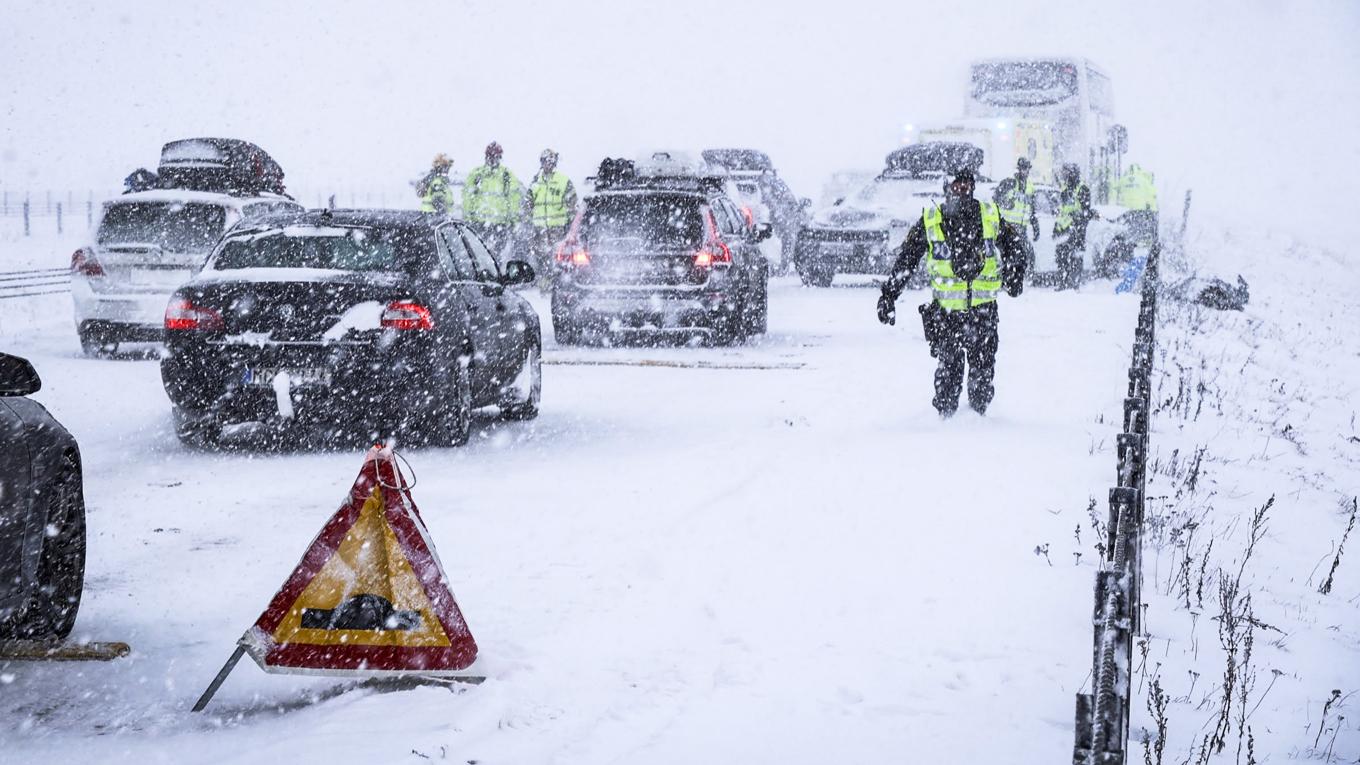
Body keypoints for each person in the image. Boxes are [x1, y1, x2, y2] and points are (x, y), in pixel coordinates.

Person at [876, 168, 1028, 417]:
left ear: (973, 187)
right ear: (947, 188)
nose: (962, 190)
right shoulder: (931, 219)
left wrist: (1015, 274)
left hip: (983, 312)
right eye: (957, 186)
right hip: (947, 315)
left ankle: (980, 426)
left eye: (967, 185)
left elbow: (1015, 247)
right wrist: (889, 295)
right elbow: (907, 260)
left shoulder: (990, 215)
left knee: (982, 379)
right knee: (948, 378)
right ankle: (945, 430)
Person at [523, 149, 577, 283]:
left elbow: (572, 203)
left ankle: (556, 280)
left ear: (554, 163)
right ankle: (544, 281)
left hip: (557, 228)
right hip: (539, 228)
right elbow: (527, 203)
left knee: (556, 256)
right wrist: (528, 221)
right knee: (541, 255)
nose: (548, 164)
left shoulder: (563, 181)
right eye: (545, 161)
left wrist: (570, 224)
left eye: (550, 161)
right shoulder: (536, 182)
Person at [463, 142, 523, 256]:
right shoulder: (477, 174)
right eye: (490, 156)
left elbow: (513, 199)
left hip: (499, 225)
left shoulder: (507, 175)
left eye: (495, 156)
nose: (492, 159)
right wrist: (468, 218)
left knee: (494, 256)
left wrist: (513, 220)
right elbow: (467, 197)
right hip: (479, 224)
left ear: (500, 158)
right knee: (480, 254)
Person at [1053, 162, 1096, 290]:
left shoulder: (1082, 189)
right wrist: (1056, 226)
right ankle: (1063, 282)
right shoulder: (1065, 190)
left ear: (1074, 174)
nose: (1065, 176)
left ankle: (1074, 283)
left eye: (1068, 173)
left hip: (1077, 229)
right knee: (1061, 256)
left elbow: (1086, 212)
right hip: (1064, 229)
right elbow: (1062, 211)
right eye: (1065, 173)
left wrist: (1078, 222)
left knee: (1076, 257)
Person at [993, 157, 1040, 242]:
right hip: (1008, 226)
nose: (1026, 171)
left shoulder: (1031, 187)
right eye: (1024, 168)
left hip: (1022, 228)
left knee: (1028, 254)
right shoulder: (1009, 183)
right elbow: (995, 198)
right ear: (1019, 169)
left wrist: (1035, 226)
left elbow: (1032, 210)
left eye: (1028, 169)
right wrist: (1005, 204)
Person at [1112, 162, 1158, 244]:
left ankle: (1127, 246)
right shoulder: (1145, 181)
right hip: (1140, 212)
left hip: (1124, 212)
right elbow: (1152, 196)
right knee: (1140, 236)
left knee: (1126, 235)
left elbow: (1114, 190)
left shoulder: (1123, 180)